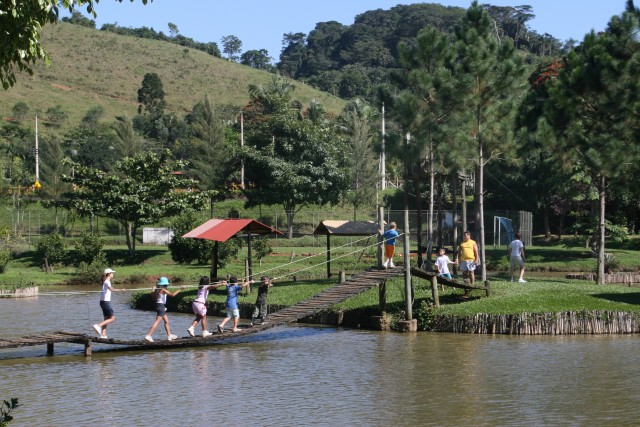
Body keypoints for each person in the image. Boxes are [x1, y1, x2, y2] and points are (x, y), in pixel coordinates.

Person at [144, 277, 183, 342]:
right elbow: (172, 295)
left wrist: (152, 290)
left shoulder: (157, 289)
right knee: (157, 321)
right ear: (165, 284)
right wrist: (180, 289)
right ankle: (148, 335)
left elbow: (152, 297)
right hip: (161, 307)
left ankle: (169, 335)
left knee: (166, 321)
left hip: (159, 306)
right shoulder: (163, 290)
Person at [92, 268, 120, 339]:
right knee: (112, 318)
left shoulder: (105, 281)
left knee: (106, 319)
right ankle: (98, 326)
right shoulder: (107, 281)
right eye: (112, 273)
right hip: (105, 302)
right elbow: (111, 289)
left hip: (102, 302)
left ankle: (103, 335)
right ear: (109, 274)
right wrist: (121, 290)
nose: (113, 274)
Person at [457, 231, 480, 297]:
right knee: (464, 273)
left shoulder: (473, 242)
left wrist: (476, 259)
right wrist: (458, 259)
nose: (465, 237)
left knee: (471, 272)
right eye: (464, 236)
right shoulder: (462, 243)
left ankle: (472, 284)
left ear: (469, 236)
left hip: (471, 260)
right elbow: (459, 252)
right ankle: (465, 284)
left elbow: (476, 252)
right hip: (463, 260)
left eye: (466, 236)